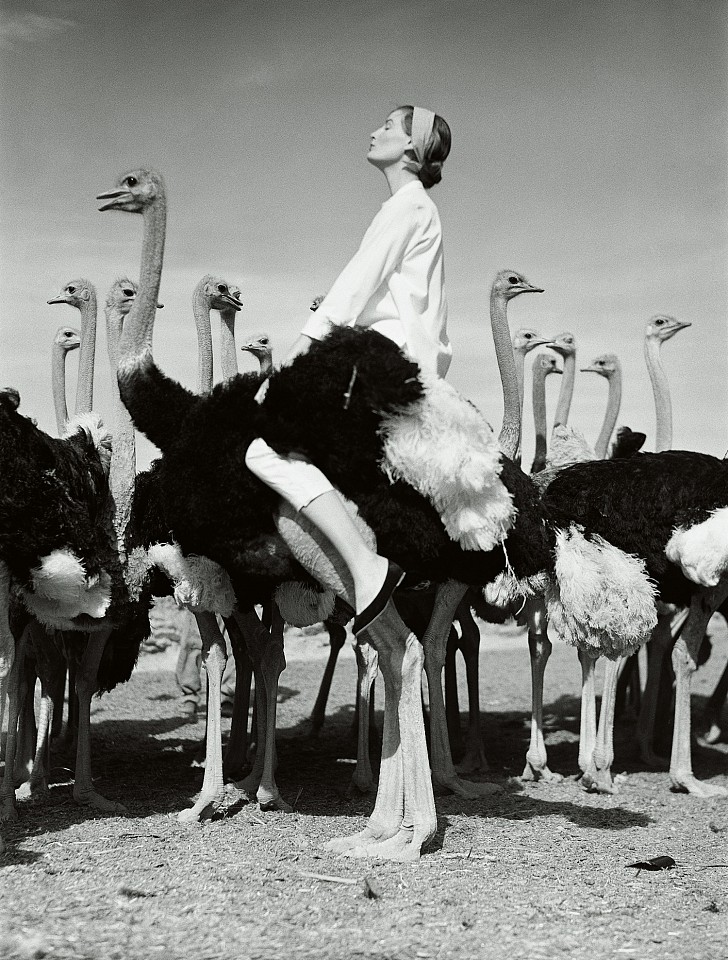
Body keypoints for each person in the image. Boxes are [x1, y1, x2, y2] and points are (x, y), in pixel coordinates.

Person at [245, 105, 452, 635]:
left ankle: (366, 567)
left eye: (389, 125)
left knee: (262, 449)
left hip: (378, 367)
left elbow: (353, 287)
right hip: (387, 364)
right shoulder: (415, 209)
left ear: (412, 148)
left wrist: (292, 357)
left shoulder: (407, 207)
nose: (374, 130)